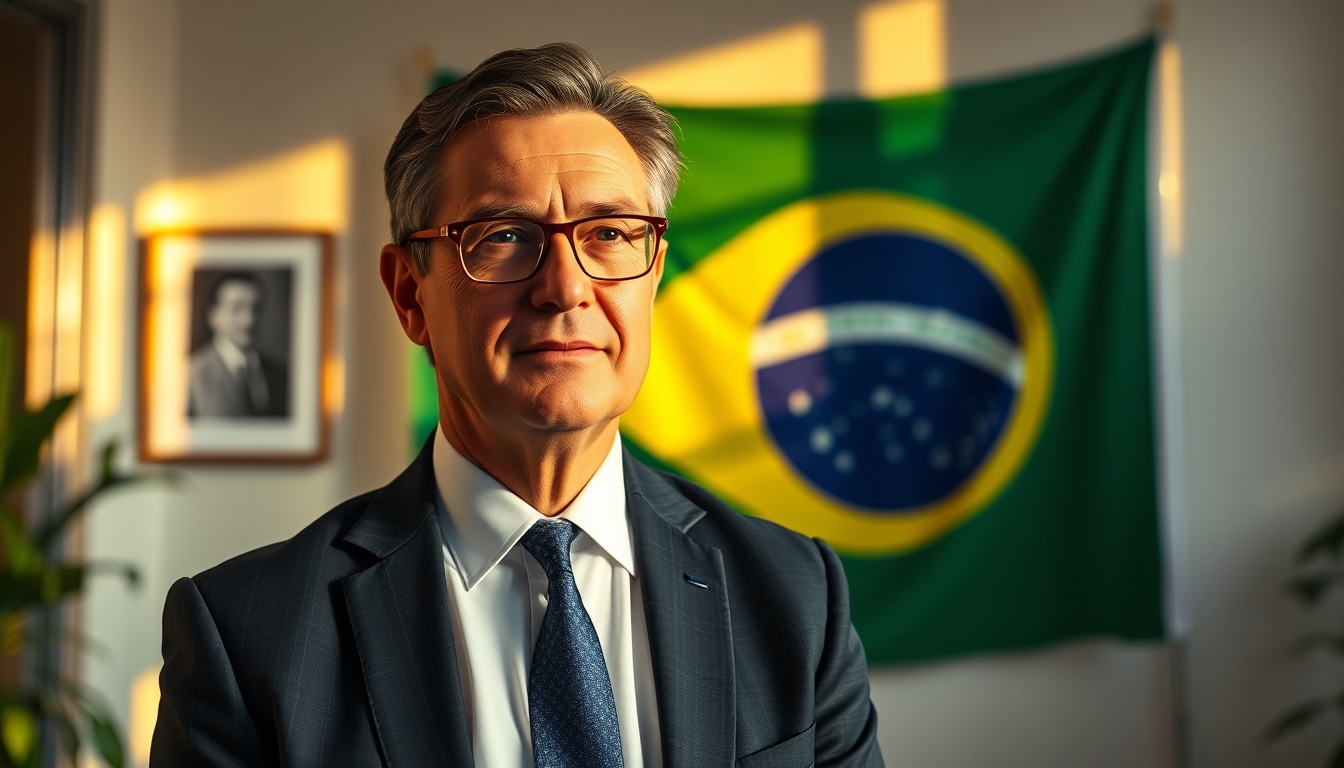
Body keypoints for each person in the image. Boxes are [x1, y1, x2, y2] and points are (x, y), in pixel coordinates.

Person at [151, 43, 883, 768]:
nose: (566, 287)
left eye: (608, 234)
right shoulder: (247, 634)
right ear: (411, 295)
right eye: (503, 236)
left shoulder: (798, 598)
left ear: (652, 273)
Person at [187, 272, 289, 418]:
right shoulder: (191, 376)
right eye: (237, 308)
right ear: (214, 316)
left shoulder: (279, 374)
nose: (249, 320)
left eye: (256, 308)